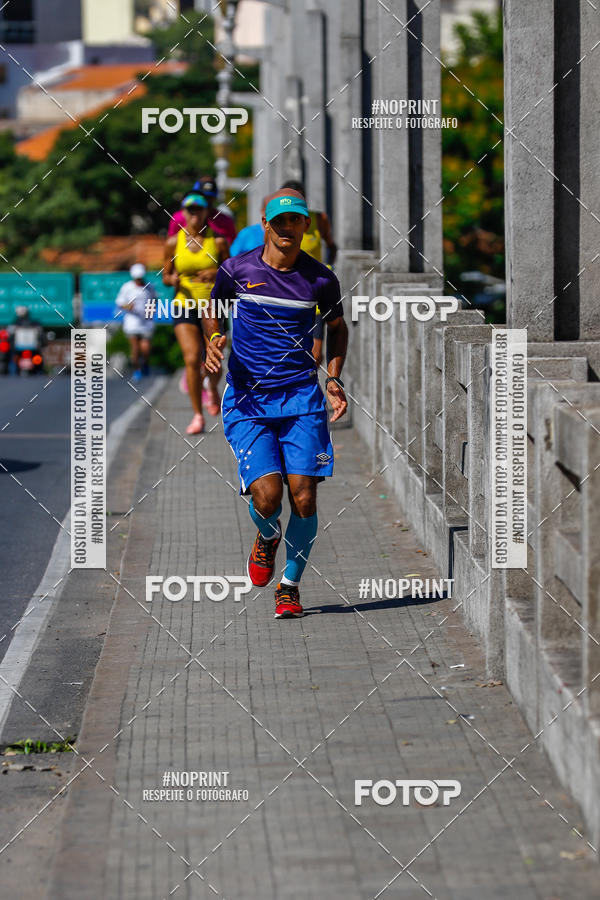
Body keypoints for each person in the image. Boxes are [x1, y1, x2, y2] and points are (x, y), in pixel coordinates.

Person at [203, 188, 348, 618]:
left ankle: (289, 587)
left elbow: (338, 328)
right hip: (248, 400)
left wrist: (334, 378)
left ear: (306, 225)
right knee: (267, 498)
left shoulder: (320, 279)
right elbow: (212, 309)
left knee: (304, 498)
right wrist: (215, 338)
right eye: (279, 221)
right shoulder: (237, 269)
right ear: (265, 224)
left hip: (301, 398)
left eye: (295, 220)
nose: (287, 228)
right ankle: (267, 536)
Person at [163, 193, 229, 434]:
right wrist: (172, 279)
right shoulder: (173, 243)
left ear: (205, 212)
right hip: (184, 305)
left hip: (213, 307)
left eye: (199, 209)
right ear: (183, 213)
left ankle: (212, 387)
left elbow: (231, 272)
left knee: (214, 360)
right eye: (190, 209)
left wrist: (216, 273)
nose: (194, 214)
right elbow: (165, 275)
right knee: (191, 359)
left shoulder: (218, 242)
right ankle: (197, 415)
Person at [280, 180, 338, 367]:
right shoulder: (278, 224)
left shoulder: (318, 219)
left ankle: (308, 382)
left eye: (299, 198)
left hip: (315, 291)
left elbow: (331, 245)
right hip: (287, 293)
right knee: (289, 349)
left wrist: (328, 267)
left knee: (315, 354)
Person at [115, 263, 157, 380]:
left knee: (145, 347)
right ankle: (137, 369)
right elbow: (119, 302)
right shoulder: (127, 287)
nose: (139, 280)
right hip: (132, 322)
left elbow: (154, 300)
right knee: (135, 348)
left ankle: (145, 363)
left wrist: (150, 311)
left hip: (146, 322)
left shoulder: (149, 287)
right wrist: (128, 306)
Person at [168, 176, 237, 246]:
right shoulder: (178, 219)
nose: (206, 201)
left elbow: (232, 247)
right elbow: (170, 245)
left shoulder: (225, 221)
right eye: (202, 197)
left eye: (210, 197)